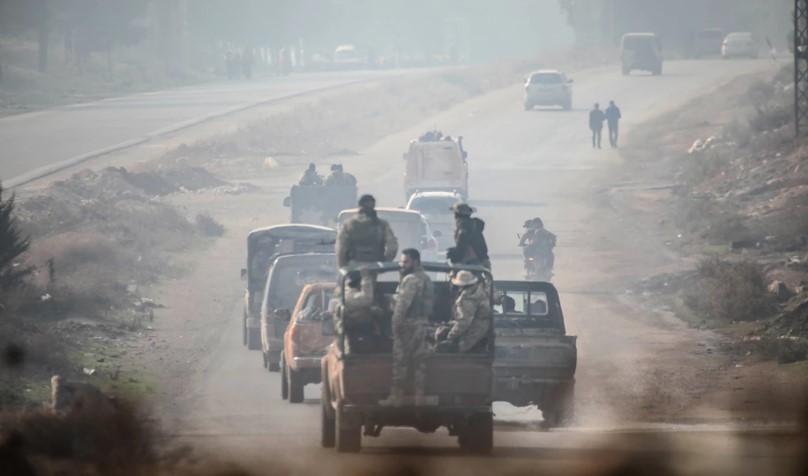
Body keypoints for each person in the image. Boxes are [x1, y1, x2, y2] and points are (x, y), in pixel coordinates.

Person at [379, 249, 434, 406]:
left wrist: (394, 326)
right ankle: (419, 397)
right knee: (420, 363)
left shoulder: (411, 280)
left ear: (415, 262)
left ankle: (396, 397)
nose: (401, 265)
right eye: (401, 261)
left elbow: (402, 306)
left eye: (405, 262)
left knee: (400, 361)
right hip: (422, 324)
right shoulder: (425, 278)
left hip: (408, 325)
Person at [434, 270, 492, 353]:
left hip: (474, 332)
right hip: (484, 329)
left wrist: (450, 336)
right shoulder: (481, 291)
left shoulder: (467, 297)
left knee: (441, 345)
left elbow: (464, 322)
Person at [336, 194, 398, 268]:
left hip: (353, 266)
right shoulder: (382, 224)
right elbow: (392, 246)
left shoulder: (349, 224)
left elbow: (341, 248)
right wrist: (385, 262)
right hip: (374, 265)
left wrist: (343, 266)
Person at [446, 203, 490, 270]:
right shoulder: (474, 225)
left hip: (471, 265)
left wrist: (453, 255)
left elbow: (461, 249)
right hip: (483, 262)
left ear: (456, 215)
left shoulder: (463, 228)